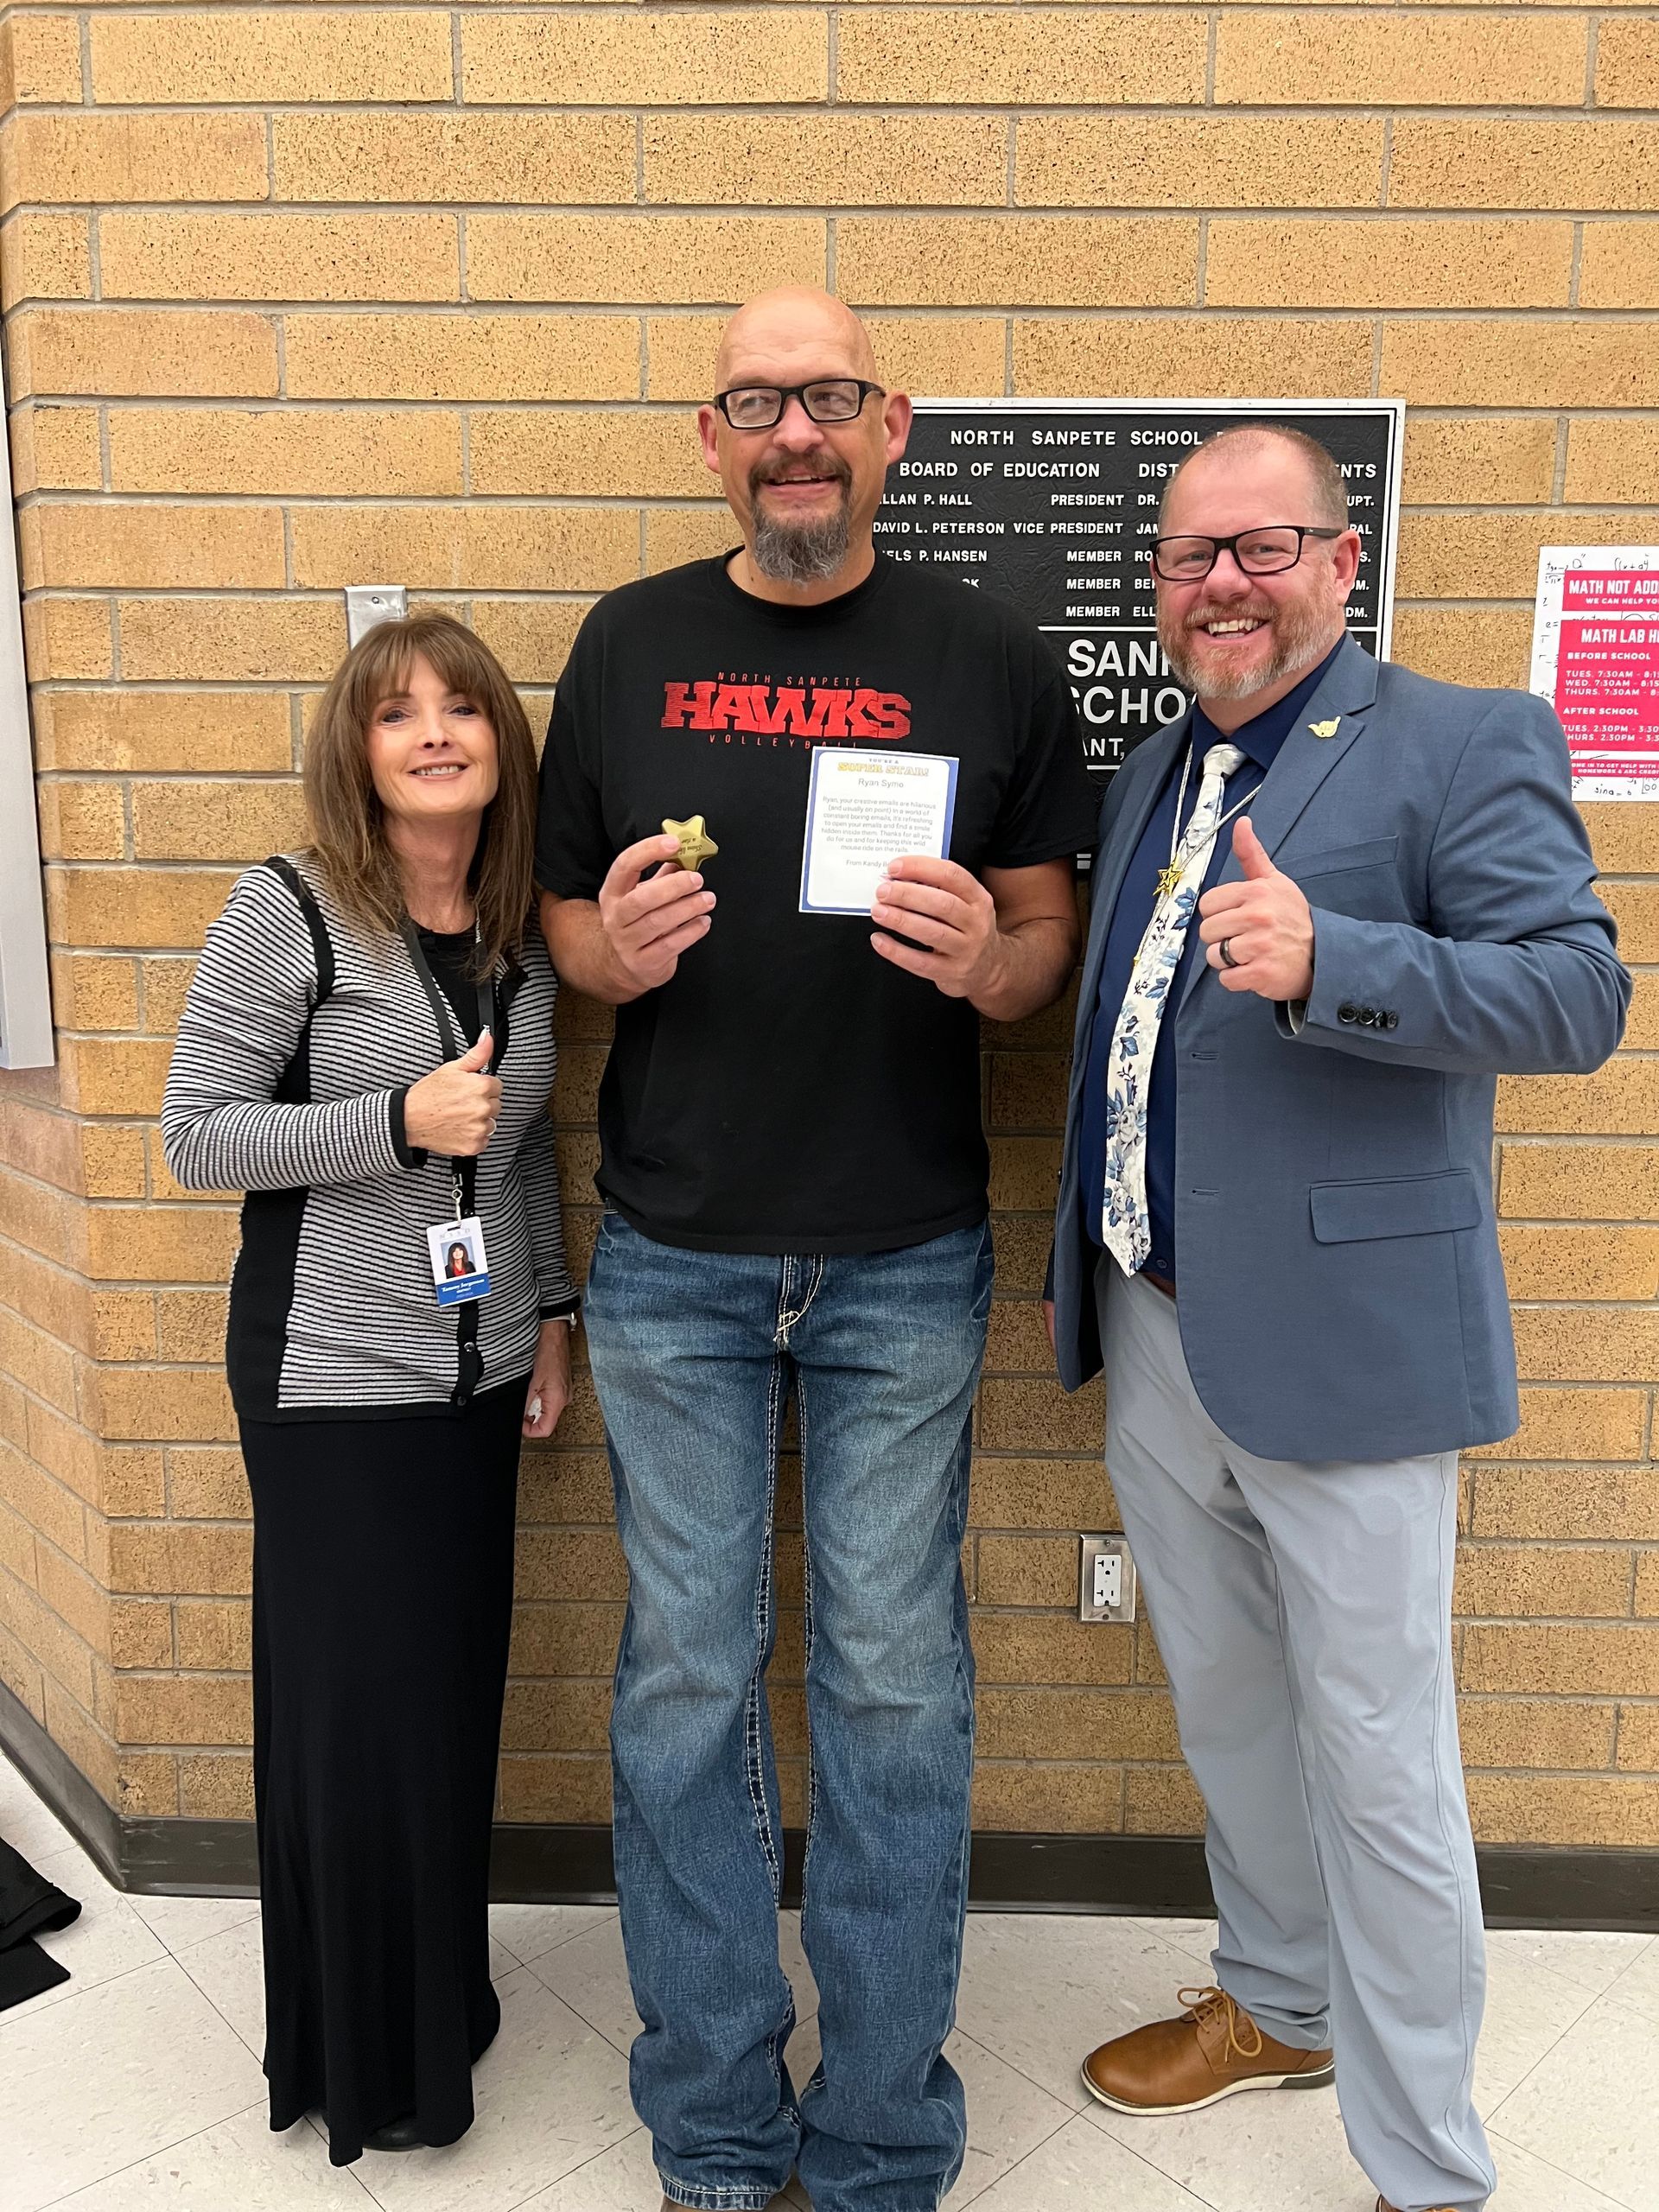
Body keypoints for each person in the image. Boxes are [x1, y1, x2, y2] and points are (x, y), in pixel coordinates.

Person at [537, 286, 1098, 2212]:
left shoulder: (987, 657)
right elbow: (556, 930)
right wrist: (604, 947)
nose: (797, 430)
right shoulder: (627, 646)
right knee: (684, 1682)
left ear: (894, 425)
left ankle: (875, 2143)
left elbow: (1046, 942)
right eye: (761, 400)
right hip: (674, 1255)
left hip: (903, 1253)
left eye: (831, 397)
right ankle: (711, 2124)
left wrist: (997, 967)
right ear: (711, 434)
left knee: (893, 1686)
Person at [1046, 423, 1630, 2212]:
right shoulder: (1155, 763)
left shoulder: (1462, 741)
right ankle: (1279, 2000)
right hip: (1161, 1324)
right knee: (1229, 1707)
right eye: (1190, 558)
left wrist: (1343, 963)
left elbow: (1576, 994)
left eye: (1262, 546)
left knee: (1381, 1759)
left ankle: (1427, 2166)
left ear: (1341, 558)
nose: (1223, 582)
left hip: (1353, 1347)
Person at [162, 613, 578, 2166]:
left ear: (497, 743)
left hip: (469, 1389)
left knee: (445, 1707)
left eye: (462, 707)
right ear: (358, 746)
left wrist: (545, 1316)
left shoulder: (517, 934)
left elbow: (522, 1146)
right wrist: (394, 1116)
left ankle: (436, 1994)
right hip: (332, 1387)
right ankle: (363, 2056)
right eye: (397, 711)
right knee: (354, 1725)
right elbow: (198, 1136)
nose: (433, 731)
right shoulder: (289, 911)